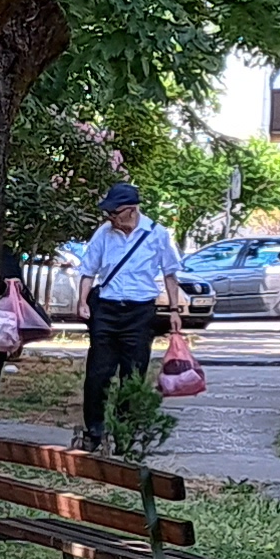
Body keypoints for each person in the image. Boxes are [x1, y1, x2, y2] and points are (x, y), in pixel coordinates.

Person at [70, 181, 187, 448]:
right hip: (107, 310)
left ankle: (124, 432)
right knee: (98, 374)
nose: (110, 217)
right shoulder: (104, 233)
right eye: (108, 213)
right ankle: (95, 432)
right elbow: (88, 270)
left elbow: (170, 274)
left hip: (140, 312)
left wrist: (174, 310)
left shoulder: (157, 234)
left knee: (132, 375)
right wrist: (82, 301)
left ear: (132, 210)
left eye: (115, 212)